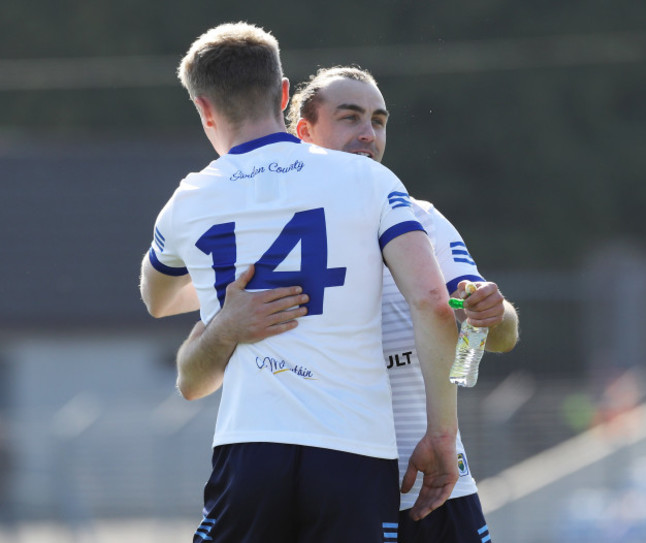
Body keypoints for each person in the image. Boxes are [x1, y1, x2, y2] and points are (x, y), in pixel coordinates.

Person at [139, 24, 460, 543]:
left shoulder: (188, 201)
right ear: (284, 93)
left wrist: (229, 312)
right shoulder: (368, 179)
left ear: (204, 108)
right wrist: (441, 434)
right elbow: (432, 301)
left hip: (250, 449)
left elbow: (157, 301)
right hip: (354, 452)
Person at [177, 66, 520, 542]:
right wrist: (224, 329)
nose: (368, 134)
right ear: (303, 131)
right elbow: (192, 379)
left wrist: (491, 312)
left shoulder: (422, 220)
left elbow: (497, 332)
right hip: (326, 484)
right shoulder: (259, 234)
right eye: (350, 117)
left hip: (432, 485)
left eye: (378, 121)